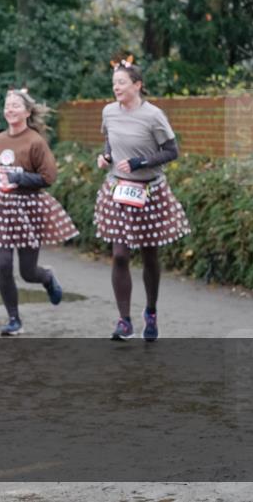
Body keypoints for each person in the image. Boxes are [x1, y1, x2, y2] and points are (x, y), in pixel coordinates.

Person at [95, 55, 190, 341]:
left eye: (121, 83)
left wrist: (140, 162)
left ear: (137, 85)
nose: (116, 88)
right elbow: (110, 139)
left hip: (149, 190)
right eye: (114, 83)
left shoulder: (153, 115)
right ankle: (124, 320)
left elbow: (171, 151)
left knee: (150, 254)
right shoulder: (109, 112)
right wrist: (107, 156)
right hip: (118, 189)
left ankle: (150, 312)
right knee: (120, 255)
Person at [0, 89, 77, 335]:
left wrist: (19, 176)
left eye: (16, 105)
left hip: (28, 208)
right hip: (0, 208)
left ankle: (47, 278)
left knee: (28, 271)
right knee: (3, 264)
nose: (10, 109)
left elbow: (48, 177)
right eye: (7, 105)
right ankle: (14, 319)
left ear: (27, 112)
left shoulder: (35, 141)